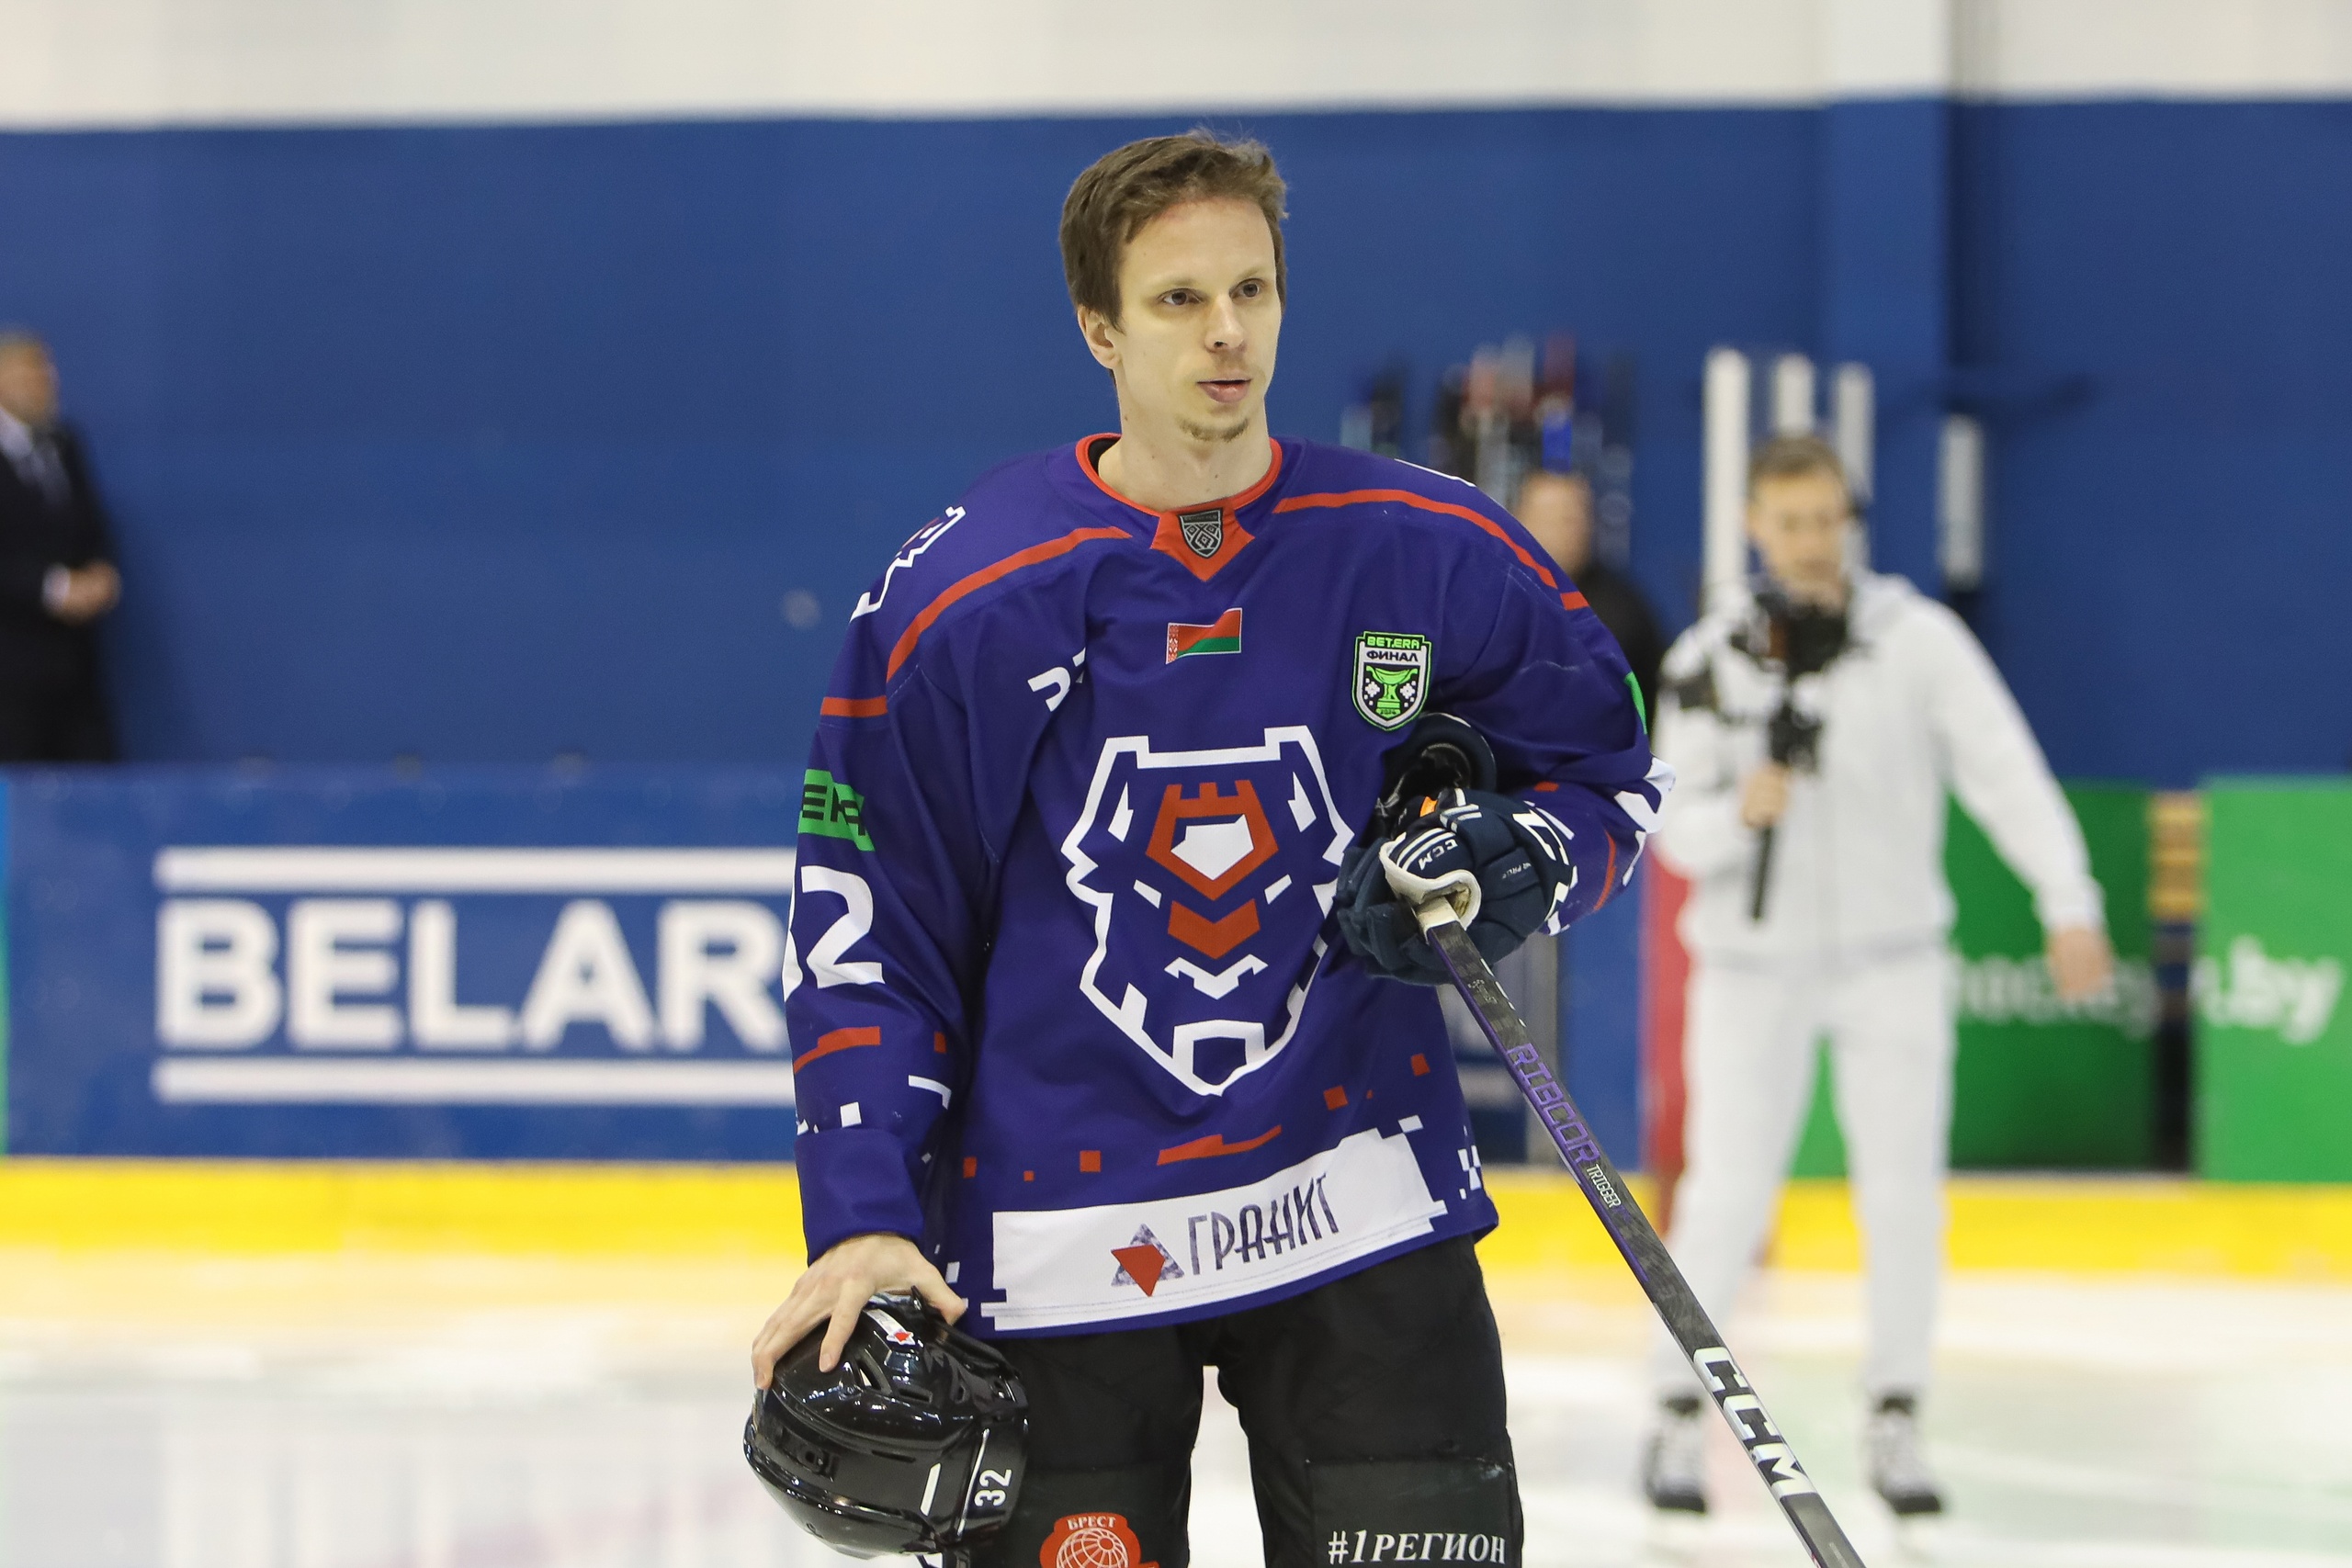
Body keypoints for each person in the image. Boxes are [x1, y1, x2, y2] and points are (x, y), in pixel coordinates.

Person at [750, 131, 1668, 1568]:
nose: (1227, 331)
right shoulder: (967, 596)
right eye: (1179, 299)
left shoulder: (1420, 546)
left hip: (1354, 1200)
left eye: (1252, 289)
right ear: (1099, 327)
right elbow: (871, 922)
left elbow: (1608, 770)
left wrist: (1527, 850)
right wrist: (862, 1213)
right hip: (1060, 1237)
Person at [1641, 434, 2112, 1517]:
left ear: (1848, 521)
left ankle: (1896, 1411)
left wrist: (2068, 896)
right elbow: (1672, 829)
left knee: (1901, 1193)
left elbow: (2003, 770)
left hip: (1891, 960)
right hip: (1750, 966)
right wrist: (1737, 814)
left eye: (1825, 519)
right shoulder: (1710, 657)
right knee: (1725, 1194)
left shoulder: (1916, 640)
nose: (1810, 541)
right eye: (1789, 522)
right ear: (1755, 526)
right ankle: (1673, 1409)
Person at [0, 332, 122, 761]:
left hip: (75, 666)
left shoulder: (65, 443)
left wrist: (101, 570)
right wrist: (54, 589)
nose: (45, 380)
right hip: (10, 672)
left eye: (47, 370)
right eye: (31, 370)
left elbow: (92, 523)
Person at [1510, 468, 1664, 719]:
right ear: (1519, 520)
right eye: (1555, 519)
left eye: (1578, 517)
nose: (1571, 530)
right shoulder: (1491, 602)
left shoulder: (1623, 612)